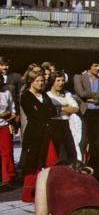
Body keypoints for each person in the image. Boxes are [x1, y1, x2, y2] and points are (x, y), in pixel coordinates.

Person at [20, 72, 59, 202]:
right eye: (37, 80)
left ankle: (48, 190)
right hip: (34, 134)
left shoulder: (43, 95)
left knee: (50, 161)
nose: (40, 83)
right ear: (31, 81)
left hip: (47, 133)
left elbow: (53, 111)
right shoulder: (26, 96)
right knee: (33, 162)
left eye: (42, 80)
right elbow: (35, 115)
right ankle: (28, 193)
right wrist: (45, 110)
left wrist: (43, 110)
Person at [72, 60, 99, 179]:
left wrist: (96, 100)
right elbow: (81, 93)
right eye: (96, 65)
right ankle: (80, 169)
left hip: (98, 112)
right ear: (89, 66)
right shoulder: (79, 78)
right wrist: (98, 95)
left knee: (97, 144)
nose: (98, 68)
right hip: (85, 113)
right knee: (83, 142)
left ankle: (96, 172)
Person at [46, 73, 80, 163]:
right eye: (58, 81)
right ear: (52, 82)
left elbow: (75, 109)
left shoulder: (67, 94)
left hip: (66, 124)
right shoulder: (48, 95)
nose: (61, 83)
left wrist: (60, 107)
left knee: (70, 150)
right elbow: (50, 112)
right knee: (56, 152)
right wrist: (66, 106)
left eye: (62, 80)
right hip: (53, 124)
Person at [0, 85, 15, 190]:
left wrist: (10, 116)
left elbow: (12, 109)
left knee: (6, 152)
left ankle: (7, 179)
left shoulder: (6, 93)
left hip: (4, 125)